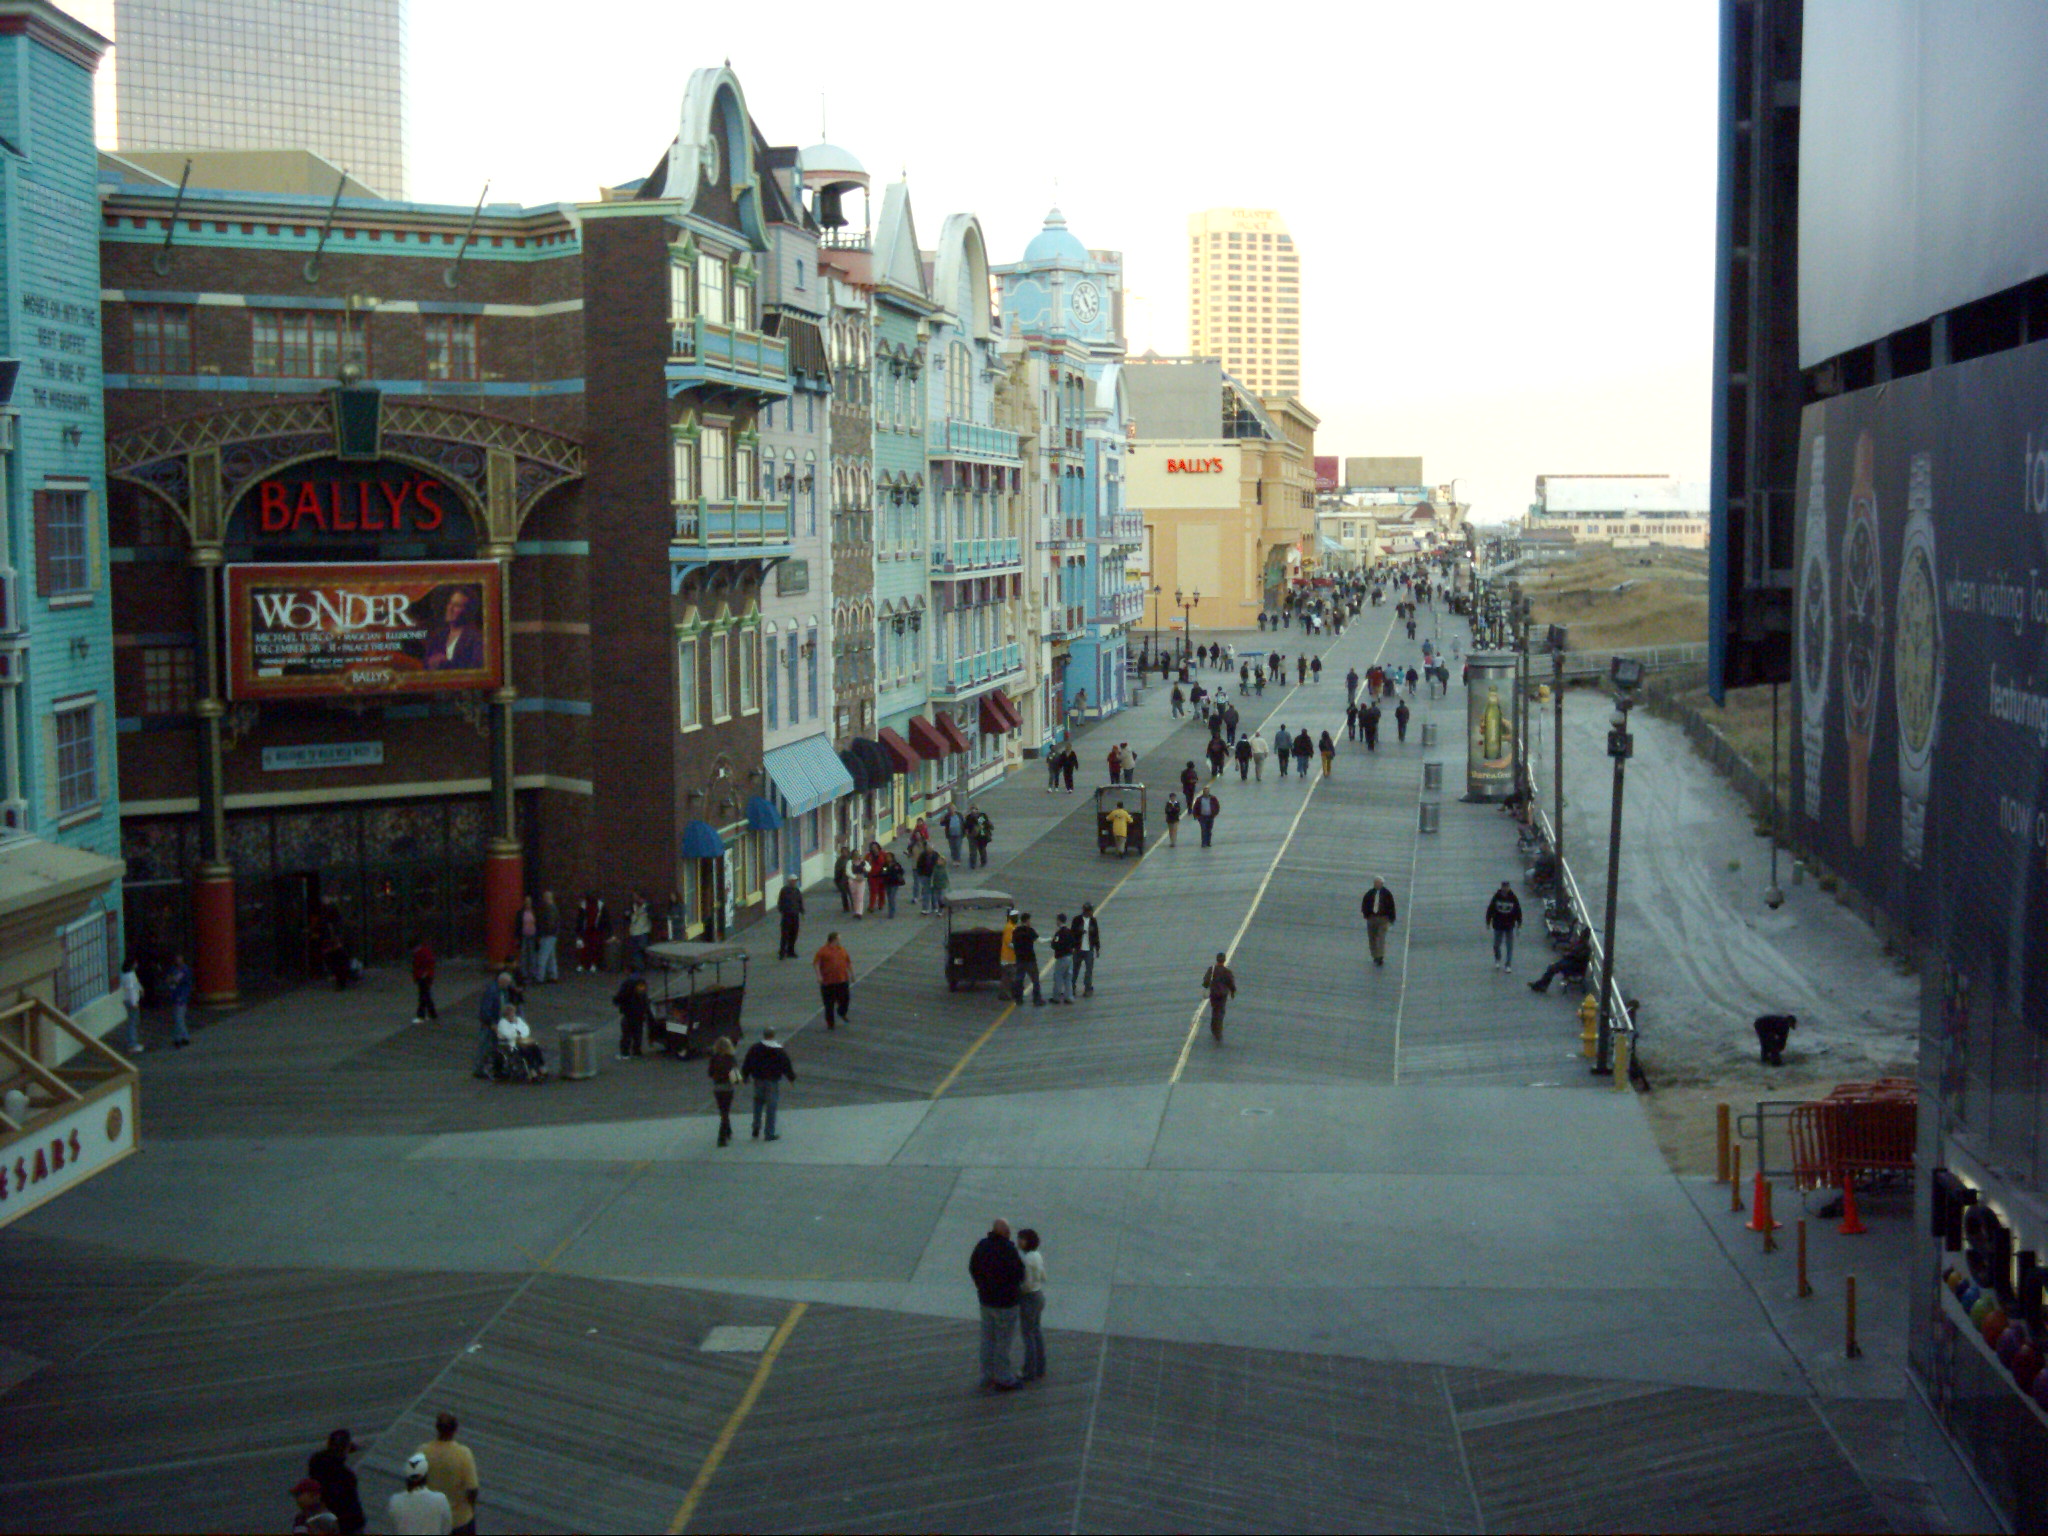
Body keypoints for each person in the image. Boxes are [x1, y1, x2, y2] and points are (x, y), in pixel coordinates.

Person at [969, 1218, 1026, 1392]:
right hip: (1006, 1304)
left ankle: (986, 1375)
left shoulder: (982, 1245)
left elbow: (973, 1267)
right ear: (1006, 1233)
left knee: (987, 1339)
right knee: (1003, 1341)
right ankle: (1003, 1377)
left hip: (986, 1301)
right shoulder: (1008, 1250)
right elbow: (1020, 1274)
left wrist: (982, 1287)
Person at [417, 1412, 479, 1536]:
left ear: (437, 1428)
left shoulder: (423, 1451)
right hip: (459, 1521)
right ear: (455, 1430)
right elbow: (472, 1489)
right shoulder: (463, 1454)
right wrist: (470, 1509)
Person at [307, 1429, 367, 1536]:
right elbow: (350, 1506)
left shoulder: (316, 1462)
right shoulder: (345, 1475)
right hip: (347, 1524)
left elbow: (331, 1456)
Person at [741, 1027, 797, 1140]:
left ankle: (756, 1127)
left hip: (758, 1080)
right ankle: (769, 1133)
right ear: (773, 1035)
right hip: (772, 1080)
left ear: (764, 1035)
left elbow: (747, 1062)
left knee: (758, 1103)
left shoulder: (755, 1048)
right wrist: (791, 1078)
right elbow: (786, 1065)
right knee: (771, 1107)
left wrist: (745, 1076)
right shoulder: (778, 1050)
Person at [386, 1453, 452, 1536]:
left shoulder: (395, 1501)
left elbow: (393, 1528)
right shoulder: (440, 1500)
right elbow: (447, 1529)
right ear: (426, 1477)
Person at [1017, 1227, 1048, 1382]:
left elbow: (1027, 1285)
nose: (1018, 1241)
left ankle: (1029, 1370)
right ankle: (1040, 1367)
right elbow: (1043, 1276)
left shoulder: (1027, 1259)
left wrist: (1017, 1289)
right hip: (1039, 1296)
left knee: (1027, 1334)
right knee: (1036, 1331)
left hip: (1029, 1299)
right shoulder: (1037, 1255)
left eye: (1021, 1239)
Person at [1529, 927, 1593, 994]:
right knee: (1552, 967)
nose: (1580, 936)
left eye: (1582, 935)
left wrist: (1569, 954)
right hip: (1571, 964)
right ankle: (1542, 985)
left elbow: (1577, 957)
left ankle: (1541, 985)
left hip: (1574, 968)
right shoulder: (1582, 945)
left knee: (1552, 968)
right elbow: (1574, 953)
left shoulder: (1585, 948)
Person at [497, 1004, 546, 1080]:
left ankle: (541, 1067)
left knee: (535, 1048)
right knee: (527, 1051)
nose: (512, 1015)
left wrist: (520, 1033)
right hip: (511, 1044)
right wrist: (517, 1034)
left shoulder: (518, 1020)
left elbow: (526, 1029)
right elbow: (508, 1034)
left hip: (522, 1041)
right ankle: (532, 1071)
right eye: (510, 1014)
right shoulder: (502, 1023)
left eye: (513, 1013)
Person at [814, 932, 852, 1027]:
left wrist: (852, 974)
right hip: (828, 981)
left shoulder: (842, 950)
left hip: (842, 979)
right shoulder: (823, 951)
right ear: (834, 939)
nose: (840, 940)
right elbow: (816, 964)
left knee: (845, 999)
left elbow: (848, 962)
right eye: (839, 938)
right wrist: (819, 976)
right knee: (829, 1004)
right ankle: (830, 1023)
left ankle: (841, 1011)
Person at [707, 1035, 740, 1147]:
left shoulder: (714, 1058)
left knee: (723, 1111)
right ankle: (722, 1138)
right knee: (726, 1112)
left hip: (717, 1088)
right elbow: (735, 1076)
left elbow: (710, 1073)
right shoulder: (731, 1058)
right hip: (728, 1088)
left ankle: (728, 1131)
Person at [1486, 880, 1524, 972]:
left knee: (1509, 945)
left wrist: (1519, 924)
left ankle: (1508, 964)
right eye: (1504, 887)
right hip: (1498, 924)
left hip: (1509, 925)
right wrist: (1488, 921)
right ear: (1502, 887)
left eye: (1507, 887)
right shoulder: (1496, 897)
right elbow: (1490, 909)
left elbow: (1518, 911)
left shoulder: (1513, 898)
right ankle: (1498, 958)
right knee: (1496, 945)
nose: (1505, 889)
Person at [1361, 877, 1398, 968]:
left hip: (1383, 918)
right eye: (1375, 883)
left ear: (1382, 884)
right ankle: (1375, 955)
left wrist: (1391, 919)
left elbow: (1391, 906)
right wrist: (1367, 915)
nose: (1376, 885)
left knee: (1381, 937)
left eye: (1378, 883)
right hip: (1372, 918)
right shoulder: (1369, 894)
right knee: (1372, 938)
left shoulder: (1387, 894)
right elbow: (1364, 904)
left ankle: (1380, 956)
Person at [612, 975, 652, 1059]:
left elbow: (620, 997)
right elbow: (645, 1000)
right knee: (638, 1033)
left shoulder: (627, 983)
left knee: (627, 1034)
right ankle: (637, 1051)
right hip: (639, 1013)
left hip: (629, 1013)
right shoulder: (641, 982)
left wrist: (617, 1002)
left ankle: (625, 1053)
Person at [1202, 953, 1237, 1043]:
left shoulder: (1212, 969)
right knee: (1220, 1011)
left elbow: (1206, 981)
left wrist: (1206, 986)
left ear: (1217, 959)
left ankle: (1214, 1028)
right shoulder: (1227, 972)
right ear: (1224, 960)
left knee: (1214, 1010)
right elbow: (1231, 984)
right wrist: (1232, 992)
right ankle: (1219, 1030)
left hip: (1213, 994)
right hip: (1222, 994)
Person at [1010, 913, 1044, 1006]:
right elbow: (1039, 940)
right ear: (1027, 920)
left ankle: (1018, 999)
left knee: (1019, 979)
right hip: (1030, 959)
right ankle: (1037, 999)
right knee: (1035, 979)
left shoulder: (1016, 931)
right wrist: (1050, 939)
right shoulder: (1030, 931)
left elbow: (1012, 944)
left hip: (1020, 959)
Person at [163, 952, 193, 1048]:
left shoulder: (185, 970)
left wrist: (172, 979)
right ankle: (182, 1037)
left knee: (178, 1017)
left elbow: (176, 980)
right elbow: (168, 979)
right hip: (175, 995)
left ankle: (180, 1038)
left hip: (181, 995)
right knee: (178, 1017)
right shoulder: (173, 969)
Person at [1048, 915, 1078, 1004]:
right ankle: (1069, 997)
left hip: (1061, 958)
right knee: (1068, 978)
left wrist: (1052, 942)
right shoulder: (1069, 931)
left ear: (1059, 921)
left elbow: (1055, 945)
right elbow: (1074, 943)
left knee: (1058, 977)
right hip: (1069, 957)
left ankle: (1056, 997)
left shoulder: (1059, 933)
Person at [576, 893, 608, 973]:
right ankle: (589, 964)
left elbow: (580, 919)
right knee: (587, 948)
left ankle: (588, 964)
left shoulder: (585, 906)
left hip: (593, 929)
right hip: (590, 929)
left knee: (591, 948)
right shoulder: (599, 906)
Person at [119, 955, 145, 1053]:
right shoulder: (129, 976)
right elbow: (131, 990)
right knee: (133, 1022)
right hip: (131, 1001)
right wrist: (134, 1002)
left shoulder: (130, 974)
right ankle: (132, 1044)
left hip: (129, 1000)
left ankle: (133, 1042)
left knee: (134, 1021)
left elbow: (136, 984)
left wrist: (141, 989)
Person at [1075, 903, 1101, 996]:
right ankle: (1072, 987)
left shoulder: (1093, 921)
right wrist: (1080, 932)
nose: (1091, 913)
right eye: (1090, 911)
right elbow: (1072, 933)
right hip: (1078, 949)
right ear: (1086, 911)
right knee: (1075, 969)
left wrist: (1097, 948)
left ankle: (1087, 988)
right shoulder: (1077, 920)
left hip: (1089, 949)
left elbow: (1096, 935)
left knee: (1089, 970)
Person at [777, 881, 804, 959]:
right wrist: (782, 910)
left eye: (795, 881)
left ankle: (790, 951)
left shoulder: (797, 891)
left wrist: (801, 910)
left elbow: (800, 901)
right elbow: (780, 901)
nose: (794, 883)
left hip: (795, 915)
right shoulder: (784, 891)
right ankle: (782, 952)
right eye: (792, 881)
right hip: (786, 915)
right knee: (785, 934)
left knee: (794, 933)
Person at [626, 891, 652, 971]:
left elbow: (652, 916)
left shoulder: (647, 907)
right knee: (635, 950)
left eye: (637, 897)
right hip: (634, 931)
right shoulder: (632, 906)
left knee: (642, 949)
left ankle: (642, 966)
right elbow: (627, 917)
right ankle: (639, 966)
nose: (636, 899)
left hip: (643, 931)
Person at [518, 896, 538, 980]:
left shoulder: (534, 912)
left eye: (529, 902)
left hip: (532, 935)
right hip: (524, 935)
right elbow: (518, 924)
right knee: (524, 955)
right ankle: (524, 973)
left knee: (532, 955)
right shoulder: (521, 913)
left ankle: (532, 972)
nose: (527, 904)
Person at [833, 846, 855, 913]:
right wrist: (837, 881)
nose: (844, 853)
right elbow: (837, 871)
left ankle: (854, 906)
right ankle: (846, 908)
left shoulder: (851, 859)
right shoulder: (839, 861)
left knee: (852, 894)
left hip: (851, 879)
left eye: (845, 852)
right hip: (843, 880)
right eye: (842, 852)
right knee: (844, 894)